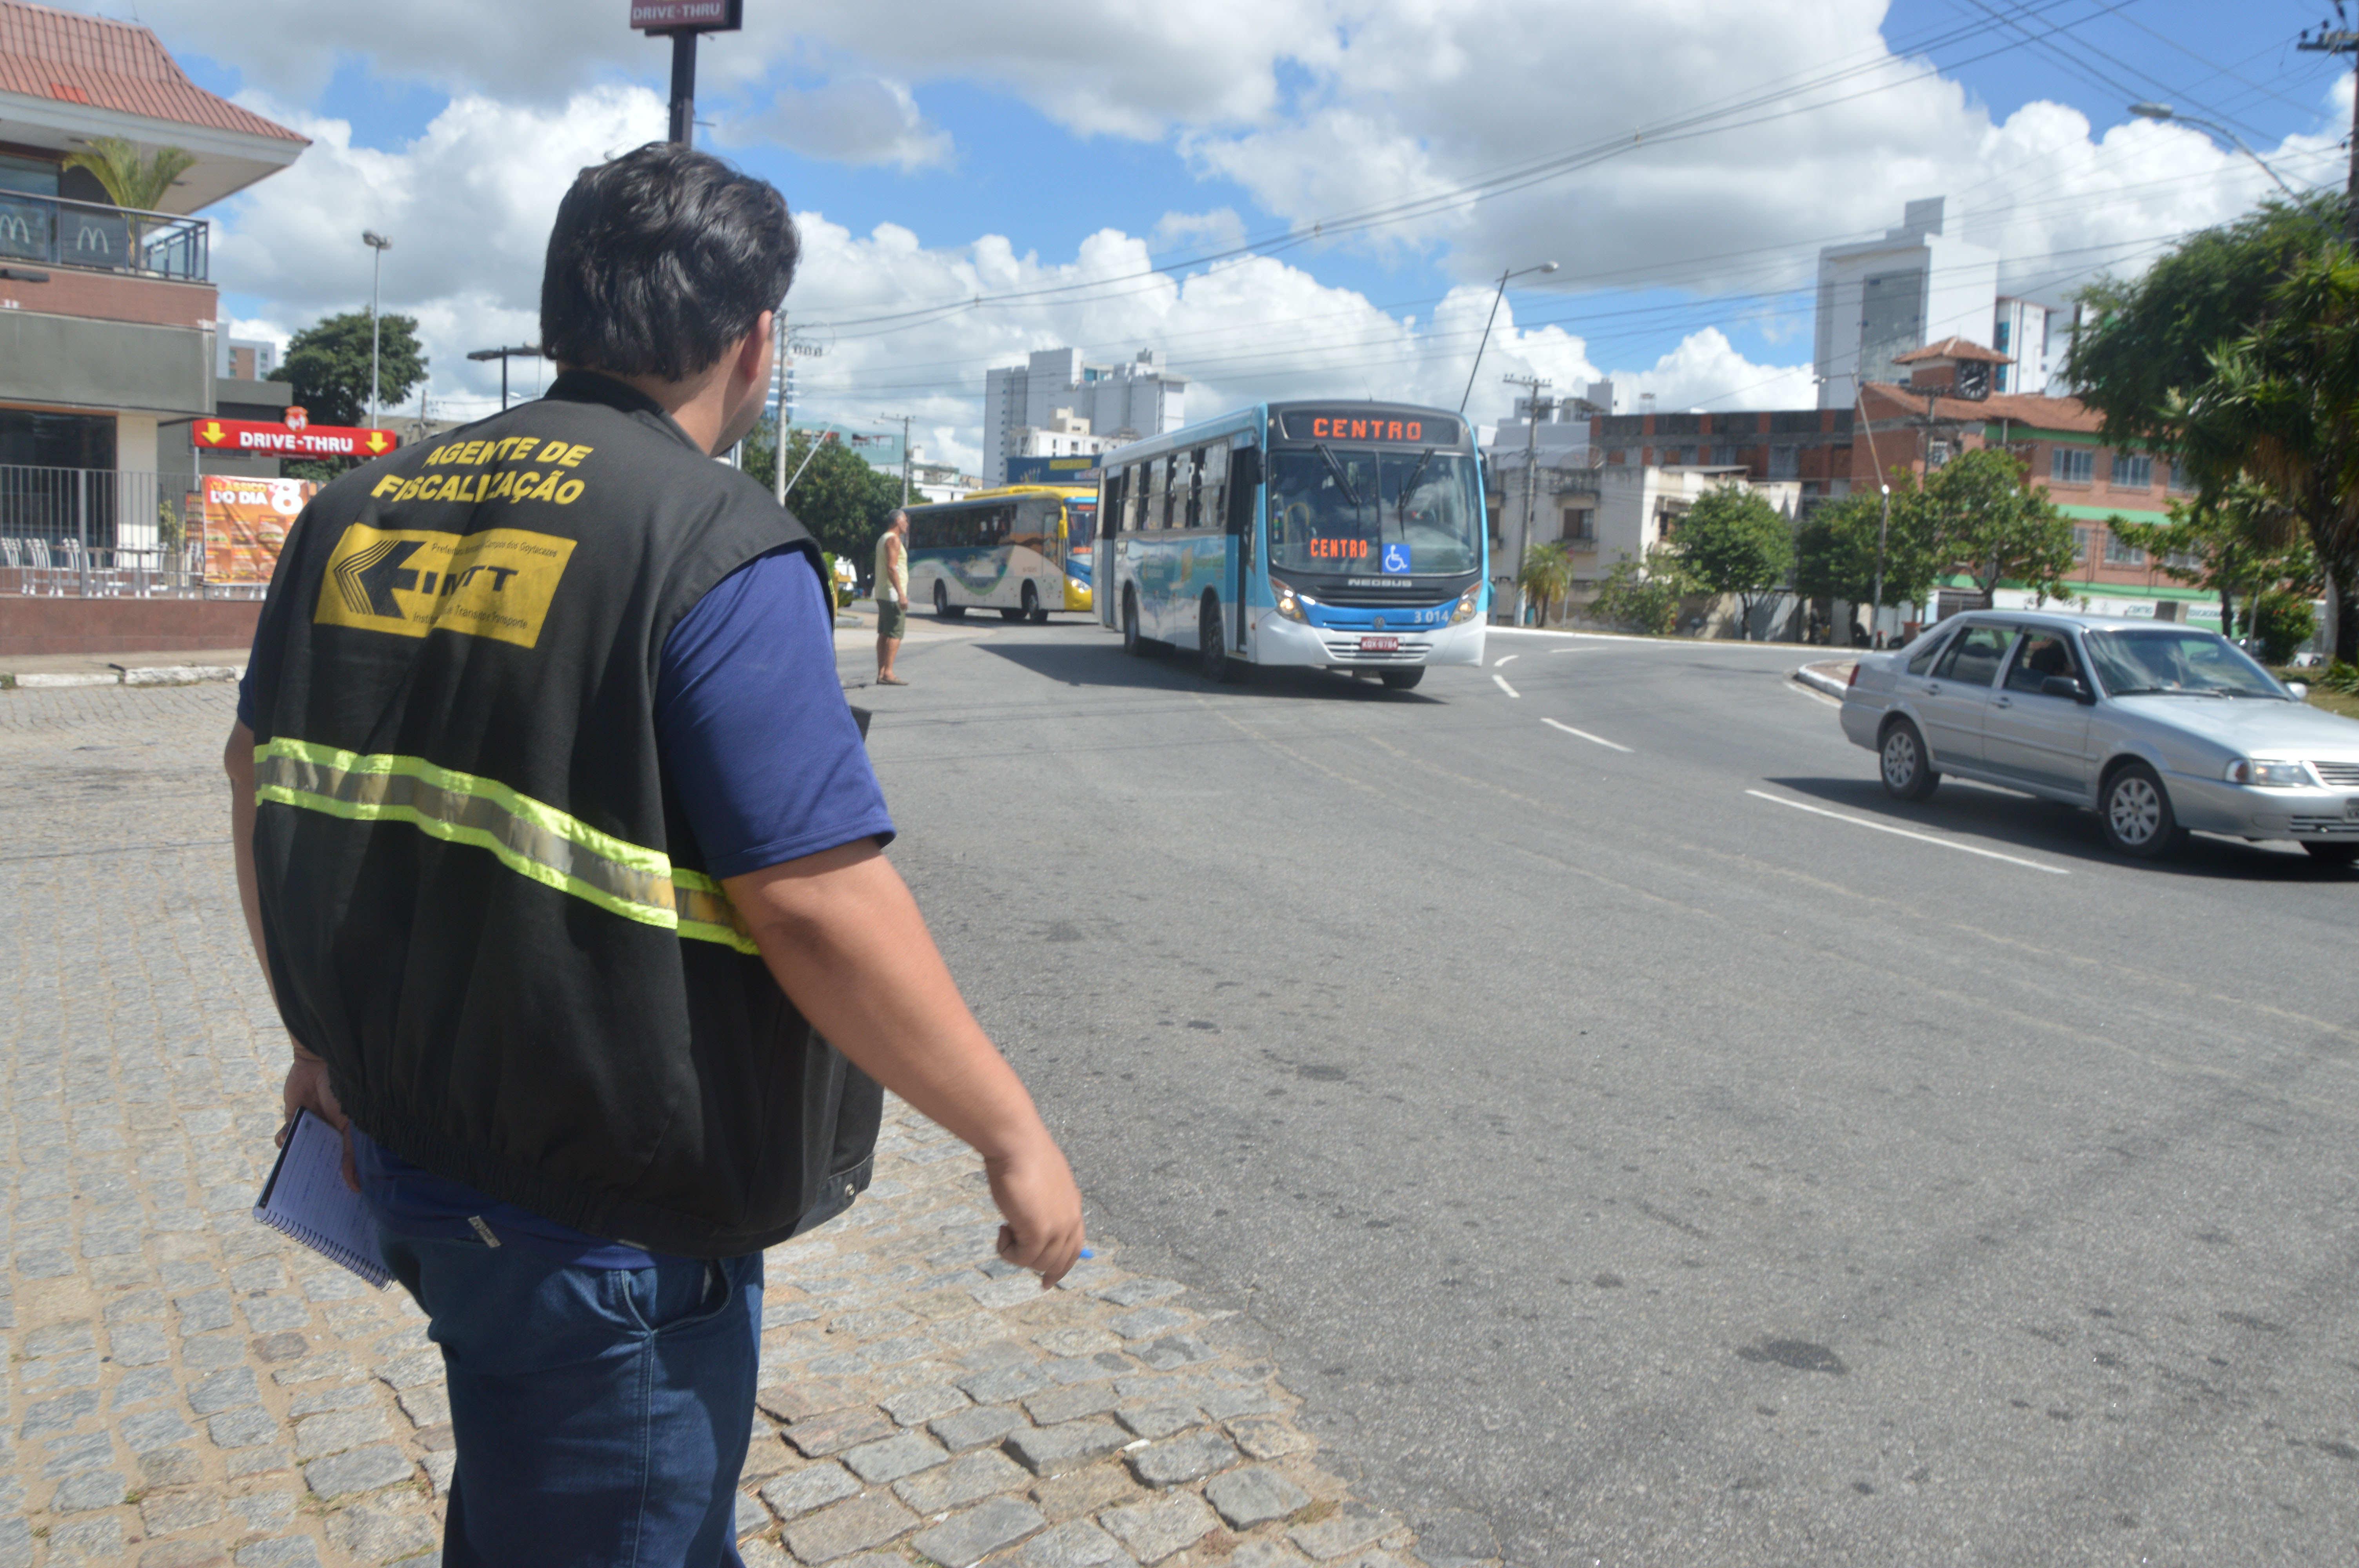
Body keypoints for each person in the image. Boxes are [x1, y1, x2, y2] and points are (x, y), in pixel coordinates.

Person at [222, 143, 1083, 1568]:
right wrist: (1009, 1130)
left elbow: (262, 777)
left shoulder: (354, 508)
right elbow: (812, 897)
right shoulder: (712, 541)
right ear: (755, 345)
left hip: (412, 1156)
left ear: (565, 305)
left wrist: (316, 1037)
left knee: (532, 1498)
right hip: (600, 1224)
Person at [875, 507, 909, 685]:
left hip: (882, 592)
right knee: (895, 633)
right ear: (897, 521)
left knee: (884, 632)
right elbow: (892, 568)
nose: (907, 525)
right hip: (892, 594)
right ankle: (888, 672)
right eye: (905, 520)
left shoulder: (883, 539)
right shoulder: (894, 540)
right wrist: (901, 594)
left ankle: (882, 672)